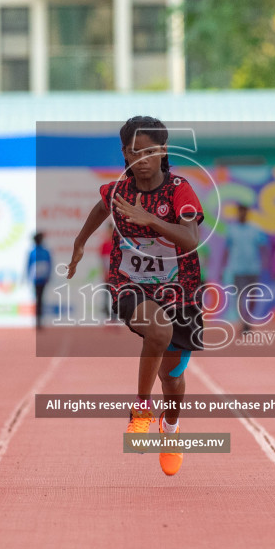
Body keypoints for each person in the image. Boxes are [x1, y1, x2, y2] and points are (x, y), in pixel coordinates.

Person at [66, 115, 204, 476]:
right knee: (158, 331)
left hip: (180, 291)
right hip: (129, 283)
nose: (141, 160)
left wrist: (150, 220)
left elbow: (190, 239)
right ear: (124, 154)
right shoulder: (118, 190)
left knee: (173, 379)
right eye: (133, 152)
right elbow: (101, 208)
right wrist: (80, 243)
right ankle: (142, 407)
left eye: (149, 152)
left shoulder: (179, 190)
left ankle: (170, 430)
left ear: (163, 152)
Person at [224, 203, 265, 333]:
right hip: (237, 268)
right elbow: (227, 249)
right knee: (240, 297)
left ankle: (248, 318)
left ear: (247, 213)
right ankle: (244, 321)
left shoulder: (255, 229)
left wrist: (265, 263)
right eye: (240, 212)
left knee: (253, 296)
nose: (242, 214)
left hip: (253, 267)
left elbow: (263, 247)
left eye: (244, 212)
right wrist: (223, 267)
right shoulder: (232, 229)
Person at [27, 232, 52, 331]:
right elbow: (29, 265)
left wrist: (48, 276)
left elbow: (49, 264)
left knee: (39, 300)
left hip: (40, 279)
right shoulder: (37, 252)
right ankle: (38, 321)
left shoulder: (38, 252)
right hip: (37, 279)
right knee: (39, 300)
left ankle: (39, 321)